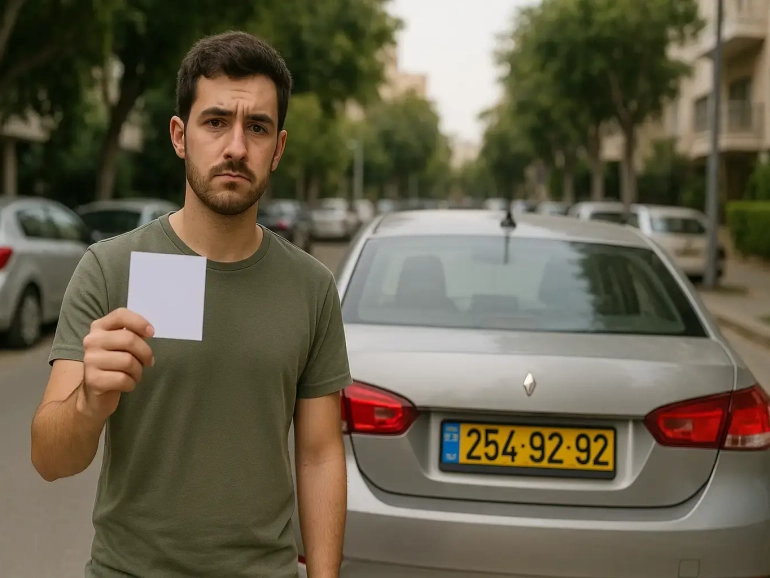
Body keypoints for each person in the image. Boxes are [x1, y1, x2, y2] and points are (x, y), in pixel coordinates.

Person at [30, 31, 350, 578]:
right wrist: (88, 403)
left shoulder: (312, 287)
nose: (235, 147)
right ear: (180, 135)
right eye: (215, 121)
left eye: (257, 127)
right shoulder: (110, 269)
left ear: (279, 147)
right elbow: (50, 459)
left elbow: (319, 455)